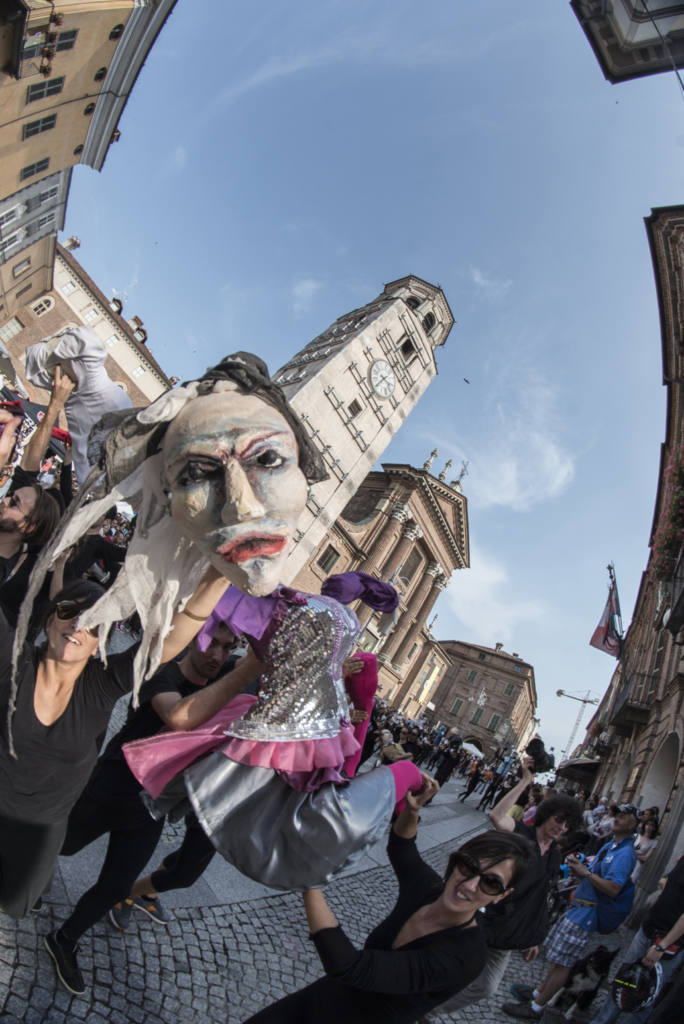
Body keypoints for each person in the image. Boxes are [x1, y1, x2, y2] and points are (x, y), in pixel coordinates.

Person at [0, 562, 230, 923]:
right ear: (48, 619)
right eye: (67, 611)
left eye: (93, 623)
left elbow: (166, 641)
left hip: (36, 842)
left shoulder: (101, 685)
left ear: (100, 644)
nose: (78, 624)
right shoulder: (13, 662)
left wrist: (220, 574)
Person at [44, 623, 249, 994]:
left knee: (117, 885)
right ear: (192, 639)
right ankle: (28, 883)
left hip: (152, 806)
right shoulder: (163, 671)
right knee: (58, 845)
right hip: (113, 786)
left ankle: (66, 937)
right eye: (211, 644)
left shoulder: (229, 674)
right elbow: (178, 716)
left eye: (227, 647)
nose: (217, 656)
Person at [243, 776, 532, 1023]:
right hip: (322, 1000)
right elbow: (403, 848)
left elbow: (351, 966)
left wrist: (310, 882)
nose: (469, 886)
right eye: (468, 866)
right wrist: (412, 810)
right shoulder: (429, 890)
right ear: (455, 861)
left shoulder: (466, 956)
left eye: (491, 882)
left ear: (502, 896)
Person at [430, 755, 581, 1017]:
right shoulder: (522, 833)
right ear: (546, 815)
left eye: (567, 825)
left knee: (486, 987)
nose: (561, 827)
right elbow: (497, 815)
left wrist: (534, 937)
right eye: (559, 819)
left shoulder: (555, 856)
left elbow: (541, 897)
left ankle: (429, 1012)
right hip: (482, 918)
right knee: (449, 967)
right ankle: (417, 1006)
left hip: (507, 932)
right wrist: (525, 781)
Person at [503, 804, 639, 1020]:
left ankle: (536, 1007)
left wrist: (585, 873)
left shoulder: (625, 853)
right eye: (618, 815)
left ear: (633, 825)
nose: (616, 819)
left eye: (623, 817)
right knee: (557, 959)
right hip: (579, 908)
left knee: (564, 963)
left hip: (586, 914)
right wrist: (581, 868)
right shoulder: (613, 845)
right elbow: (595, 871)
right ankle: (538, 993)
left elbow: (613, 889)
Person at [588, 854, 684, 1024]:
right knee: (623, 982)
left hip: (668, 944)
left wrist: (662, 946)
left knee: (644, 995)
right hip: (649, 927)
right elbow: (666, 880)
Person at [631, 819, 658, 885]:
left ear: (654, 828)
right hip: (627, 860)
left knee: (631, 881)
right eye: (647, 824)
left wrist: (634, 853)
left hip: (637, 864)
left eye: (651, 825)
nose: (648, 827)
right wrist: (639, 853)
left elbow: (645, 858)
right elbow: (627, 848)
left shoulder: (654, 842)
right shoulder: (636, 835)